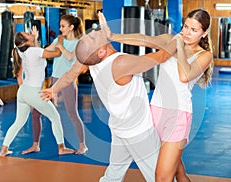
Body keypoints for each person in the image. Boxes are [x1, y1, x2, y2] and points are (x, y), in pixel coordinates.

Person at [39, 26, 176, 181]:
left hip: (119, 128)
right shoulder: (120, 63)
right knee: (161, 176)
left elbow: (71, 74)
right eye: (91, 38)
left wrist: (53, 89)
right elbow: (162, 56)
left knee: (114, 174)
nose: (92, 33)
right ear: (101, 52)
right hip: (139, 131)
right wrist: (178, 40)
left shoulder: (91, 61)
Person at [99, 9, 213, 181]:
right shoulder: (171, 40)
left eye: (194, 30)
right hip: (154, 112)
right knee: (178, 172)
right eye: (186, 26)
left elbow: (185, 76)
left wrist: (179, 46)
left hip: (178, 116)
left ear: (204, 33)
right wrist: (113, 35)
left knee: (161, 178)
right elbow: (145, 39)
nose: (187, 32)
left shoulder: (204, 55)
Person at [0, 28, 76, 156]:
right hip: (34, 92)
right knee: (55, 117)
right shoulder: (34, 51)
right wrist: (60, 42)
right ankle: (61, 148)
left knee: (18, 122)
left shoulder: (21, 51)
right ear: (26, 42)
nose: (30, 33)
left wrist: (34, 38)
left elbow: (35, 53)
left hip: (23, 91)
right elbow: (57, 53)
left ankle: (4, 149)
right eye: (28, 34)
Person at [23, 15, 88, 155]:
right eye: (60, 26)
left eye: (63, 26)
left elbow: (70, 57)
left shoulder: (79, 43)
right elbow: (42, 53)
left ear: (71, 27)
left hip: (68, 82)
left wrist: (60, 47)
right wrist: (35, 40)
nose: (60, 29)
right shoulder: (58, 40)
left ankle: (82, 145)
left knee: (72, 113)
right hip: (54, 81)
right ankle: (35, 144)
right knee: (36, 113)